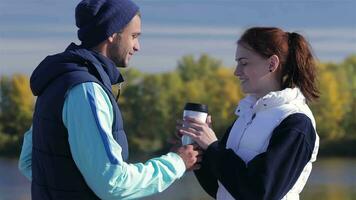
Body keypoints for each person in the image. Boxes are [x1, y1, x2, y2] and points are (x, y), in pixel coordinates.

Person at [18, 0, 202, 199]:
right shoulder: (86, 91)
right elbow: (113, 183)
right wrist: (177, 162)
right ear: (112, 34)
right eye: (134, 36)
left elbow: (29, 163)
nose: (137, 46)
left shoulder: (59, 81)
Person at [178, 27, 320, 200]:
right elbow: (220, 188)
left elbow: (261, 193)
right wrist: (200, 150)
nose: (236, 72)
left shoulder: (296, 122)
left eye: (244, 63)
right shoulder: (246, 117)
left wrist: (213, 147)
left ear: (272, 64)